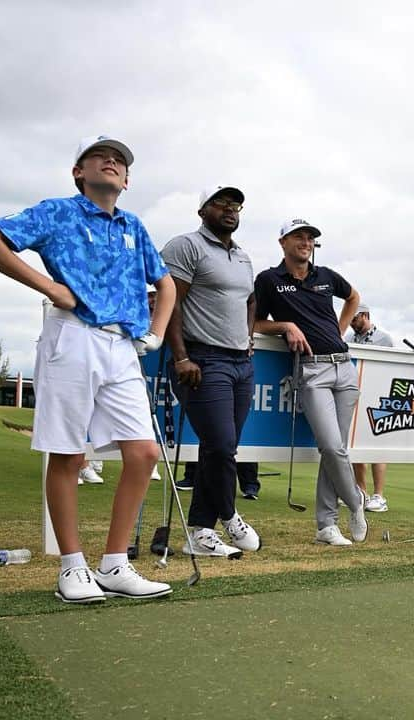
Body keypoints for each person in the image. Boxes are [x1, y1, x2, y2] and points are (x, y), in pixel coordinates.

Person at [0, 135, 174, 603]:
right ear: (79, 172)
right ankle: (72, 566)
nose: (113, 162)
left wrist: (156, 334)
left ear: (128, 179)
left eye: (120, 160)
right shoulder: (57, 211)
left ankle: (115, 563)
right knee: (68, 454)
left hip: (122, 344)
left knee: (143, 453)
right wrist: (48, 286)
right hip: (72, 335)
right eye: (100, 156)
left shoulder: (133, 225)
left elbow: (164, 283)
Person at [161, 185, 261, 559]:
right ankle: (231, 516)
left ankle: (200, 532)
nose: (231, 210)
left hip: (240, 362)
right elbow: (170, 301)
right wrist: (181, 356)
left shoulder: (243, 256)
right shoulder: (186, 246)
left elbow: (250, 299)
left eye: (236, 205)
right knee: (220, 445)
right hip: (202, 360)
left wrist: (248, 337)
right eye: (222, 203)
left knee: (220, 448)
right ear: (203, 210)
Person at [254, 218, 367, 546]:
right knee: (330, 446)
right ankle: (357, 501)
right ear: (283, 243)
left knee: (337, 451)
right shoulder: (269, 280)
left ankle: (326, 525)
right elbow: (255, 322)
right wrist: (285, 325)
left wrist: (339, 330)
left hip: (344, 368)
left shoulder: (326, 276)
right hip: (312, 371)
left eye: (310, 238)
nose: (305, 242)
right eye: (298, 237)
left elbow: (354, 296)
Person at [344, 303, 394, 512]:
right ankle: (361, 492)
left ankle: (379, 496)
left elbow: (390, 369)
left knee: (378, 449)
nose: (351, 323)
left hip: (379, 399)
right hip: (357, 397)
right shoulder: (348, 339)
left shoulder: (384, 339)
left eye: (354, 319)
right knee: (358, 447)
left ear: (365, 315)